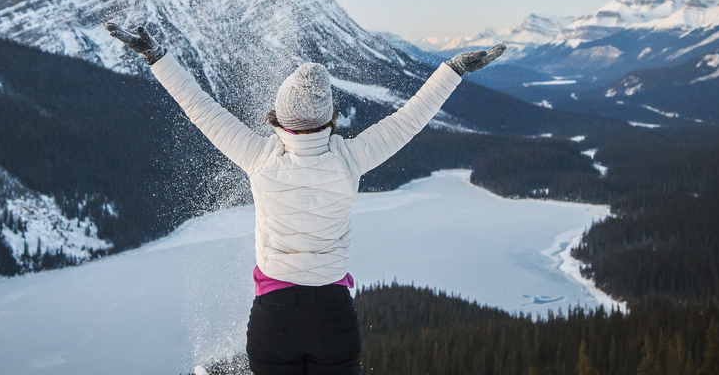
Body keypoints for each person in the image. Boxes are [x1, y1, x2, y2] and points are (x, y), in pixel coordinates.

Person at [106, 22, 504, 375]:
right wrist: (452, 70)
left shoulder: (259, 158)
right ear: (329, 117)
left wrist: (156, 57)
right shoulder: (350, 159)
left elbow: (201, 109)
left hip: (272, 320)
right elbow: (409, 119)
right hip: (333, 316)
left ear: (279, 115)